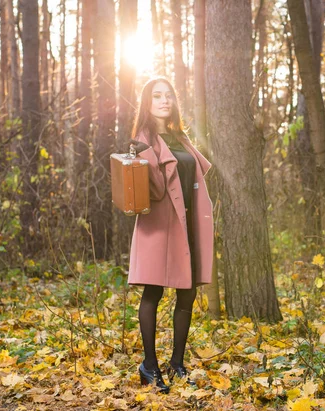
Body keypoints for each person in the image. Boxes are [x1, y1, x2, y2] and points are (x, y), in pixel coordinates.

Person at [127, 77, 214, 393]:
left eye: (169, 96)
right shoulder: (143, 140)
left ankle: (177, 363)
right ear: (147, 103)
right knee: (153, 292)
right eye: (157, 96)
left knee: (187, 293)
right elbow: (152, 188)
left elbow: (194, 177)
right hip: (160, 225)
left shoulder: (181, 137)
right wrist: (142, 156)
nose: (164, 101)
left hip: (188, 224)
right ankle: (149, 365)